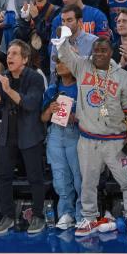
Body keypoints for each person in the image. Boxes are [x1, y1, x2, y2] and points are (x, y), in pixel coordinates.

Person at [53, 26, 127, 238]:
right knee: (88, 182)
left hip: (116, 140)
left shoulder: (123, 76)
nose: (99, 54)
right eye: (96, 50)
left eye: (103, 50)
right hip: (88, 139)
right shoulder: (82, 66)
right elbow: (64, 54)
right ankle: (90, 217)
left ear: (111, 52)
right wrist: (63, 36)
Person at [0, 39, 46, 235]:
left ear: (25, 59)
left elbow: (29, 104)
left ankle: (38, 216)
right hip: (7, 134)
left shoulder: (34, 78)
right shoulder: (3, 76)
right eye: (8, 53)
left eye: (14, 54)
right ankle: (9, 216)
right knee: (4, 177)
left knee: (35, 178)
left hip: (30, 134)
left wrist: (8, 88)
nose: (9, 57)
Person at [41, 57, 82, 229]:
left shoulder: (81, 88)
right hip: (55, 134)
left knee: (79, 177)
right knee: (60, 176)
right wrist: (50, 110)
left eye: (64, 61)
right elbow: (42, 118)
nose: (59, 65)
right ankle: (66, 213)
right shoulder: (52, 89)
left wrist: (77, 118)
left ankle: (82, 215)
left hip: (76, 133)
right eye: (57, 62)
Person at [17, 0, 60, 78]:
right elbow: (20, 37)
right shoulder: (27, 9)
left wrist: (36, 17)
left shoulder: (56, 11)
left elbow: (48, 36)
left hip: (47, 61)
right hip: (29, 59)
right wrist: (26, 20)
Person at [50, 5, 98, 82]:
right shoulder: (57, 43)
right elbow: (53, 73)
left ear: (79, 22)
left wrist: (77, 58)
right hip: (63, 89)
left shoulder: (94, 42)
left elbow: (96, 73)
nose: (65, 25)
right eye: (63, 21)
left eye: (69, 20)